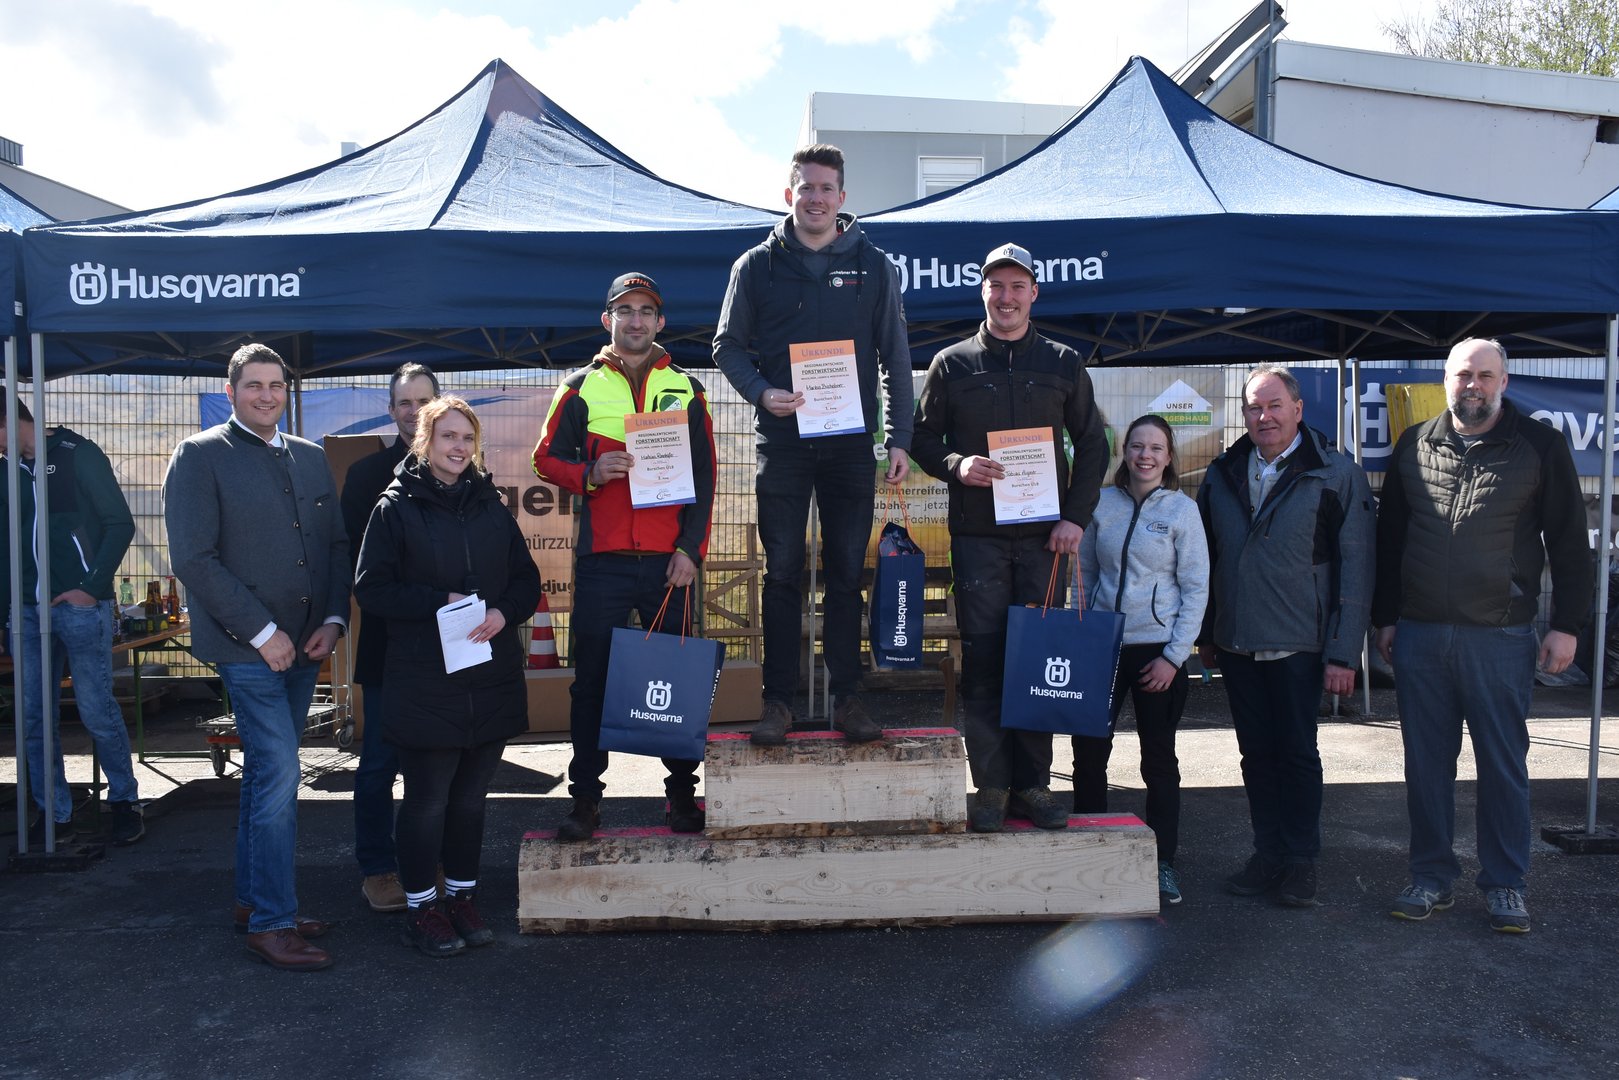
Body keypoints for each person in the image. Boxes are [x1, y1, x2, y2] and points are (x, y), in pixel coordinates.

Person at [1373, 338, 1591, 934]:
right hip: (1420, 634)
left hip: (1500, 635)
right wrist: (1386, 616)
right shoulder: (1414, 443)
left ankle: (1505, 884)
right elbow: (1391, 538)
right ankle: (1430, 878)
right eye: (1463, 375)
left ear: (1504, 382)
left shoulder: (1540, 446)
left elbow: (1569, 542)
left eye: (1485, 376)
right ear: (1446, 380)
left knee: (1502, 765)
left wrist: (1567, 625)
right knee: (1426, 768)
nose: (1474, 385)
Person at [713, 143, 912, 745]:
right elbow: (727, 347)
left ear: (842, 197)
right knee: (782, 573)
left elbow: (895, 357)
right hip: (783, 442)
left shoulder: (875, 267)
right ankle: (777, 702)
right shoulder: (755, 266)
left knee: (847, 573)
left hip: (850, 446)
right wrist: (762, 392)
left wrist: (898, 437)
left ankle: (849, 699)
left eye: (827, 189)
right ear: (789, 194)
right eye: (806, 188)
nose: (816, 198)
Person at [910, 242, 1109, 833]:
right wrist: (957, 464)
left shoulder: (1063, 362)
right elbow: (922, 439)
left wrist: (1075, 517)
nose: (1007, 296)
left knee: (1040, 660)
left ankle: (1034, 785)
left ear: (1034, 294)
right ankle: (993, 786)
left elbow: (1093, 445)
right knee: (986, 662)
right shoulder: (952, 364)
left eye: (1017, 286)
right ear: (983, 292)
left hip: (1047, 540)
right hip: (980, 541)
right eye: (996, 285)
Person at [164, 343, 349, 971]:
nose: (266, 395)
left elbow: (334, 546)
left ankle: (255, 901)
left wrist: (332, 619)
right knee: (279, 774)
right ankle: (272, 923)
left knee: (265, 778)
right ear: (231, 392)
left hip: (305, 644)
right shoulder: (199, 455)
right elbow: (193, 558)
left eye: (275, 385)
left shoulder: (310, 457)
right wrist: (263, 631)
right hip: (247, 649)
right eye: (254, 385)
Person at [355, 396, 541, 957]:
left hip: (489, 674)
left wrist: (503, 612)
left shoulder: (492, 506)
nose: (458, 447)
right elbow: (372, 589)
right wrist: (441, 602)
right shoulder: (394, 507)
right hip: (424, 678)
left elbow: (526, 581)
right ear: (425, 441)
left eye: (466, 438)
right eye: (447, 437)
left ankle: (461, 898)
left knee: (470, 801)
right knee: (428, 800)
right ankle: (422, 908)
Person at [534, 272, 716, 842]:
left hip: (669, 564)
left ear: (660, 322)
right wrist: (589, 472)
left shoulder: (687, 388)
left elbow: (706, 476)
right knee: (590, 684)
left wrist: (690, 551)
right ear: (607, 319)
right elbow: (545, 459)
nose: (635, 320)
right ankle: (585, 801)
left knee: (675, 681)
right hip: (603, 562)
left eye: (645, 311)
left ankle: (682, 796)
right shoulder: (579, 387)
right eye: (625, 310)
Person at [1197, 363, 1375, 908]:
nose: (1264, 416)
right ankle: (1267, 854)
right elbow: (1205, 560)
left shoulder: (1336, 474)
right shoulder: (1222, 473)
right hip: (1238, 641)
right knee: (1255, 755)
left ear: (1298, 409)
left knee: (1297, 754)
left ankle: (1301, 861)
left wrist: (1344, 653)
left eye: (1275, 405)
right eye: (1254, 407)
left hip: (1301, 643)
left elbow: (1357, 567)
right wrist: (1208, 635)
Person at [1074, 414, 1209, 905]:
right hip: (1103, 646)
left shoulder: (1182, 511)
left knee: (1158, 759)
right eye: (1137, 446)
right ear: (1125, 452)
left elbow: (1196, 588)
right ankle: (1090, 854)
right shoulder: (1102, 504)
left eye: (1155, 448)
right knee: (1089, 753)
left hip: (1158, 652)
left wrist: (1174, 657)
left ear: (1169, 457)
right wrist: (1085, 631)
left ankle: (1162, 863)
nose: (1145, 456)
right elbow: (1086, 572)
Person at [1, 395, 140, 846]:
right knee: (33, 718)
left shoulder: (77, 454)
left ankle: (125, 802)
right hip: (25, 611)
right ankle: (54, 813)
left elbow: (119, 523)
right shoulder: (7, 470)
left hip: (79, 607)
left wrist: (91, 587)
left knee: (96, 709)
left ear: (9, 420)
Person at [340, 362, 440, 913]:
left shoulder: (464, 470)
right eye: (404, 402)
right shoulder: (367, 476)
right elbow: (365, 574)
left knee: (437, 761)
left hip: (449, 646)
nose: (413, 412)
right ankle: (377, 868)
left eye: (423, 401)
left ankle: (428, 860)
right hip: (388, 644)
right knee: (379, 762)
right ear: (391, 409)